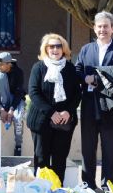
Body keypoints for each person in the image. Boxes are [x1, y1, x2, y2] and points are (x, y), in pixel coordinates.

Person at [75, 11, 113, 193]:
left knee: (109, 148)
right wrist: (85, 78)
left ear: (112, 28)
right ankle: (88, 185)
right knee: (88, 148)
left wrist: (97, 77)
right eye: (99, 26)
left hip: (109, 106)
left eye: (106, 26)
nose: (102, 30)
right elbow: (78, 70)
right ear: (94, 28)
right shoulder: (86, 49)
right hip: (89, 104)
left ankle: (108, 186)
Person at [27, 33, 81, 181]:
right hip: (41, 121)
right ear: (46, 49)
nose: (55, 49)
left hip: (64, 122)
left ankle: (57, 191)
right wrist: (51, 113)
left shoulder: (70, 68)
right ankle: (41, 191)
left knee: (60, 160)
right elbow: (33, 92)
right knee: (41, 160)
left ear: (64, 49)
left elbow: (77, 94)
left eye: (58, 46)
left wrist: (68, 111)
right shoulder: (38, 67)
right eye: (51, 46)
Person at [0, 51, 26, 156]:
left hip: (16, 101)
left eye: (1, 64)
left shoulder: (18, 72)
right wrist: (1, 109)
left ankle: (18, 146)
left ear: (9, 64)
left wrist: (11, 109)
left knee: (18, 118)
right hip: (3, 102)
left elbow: (19, 93)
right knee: (1, 76)